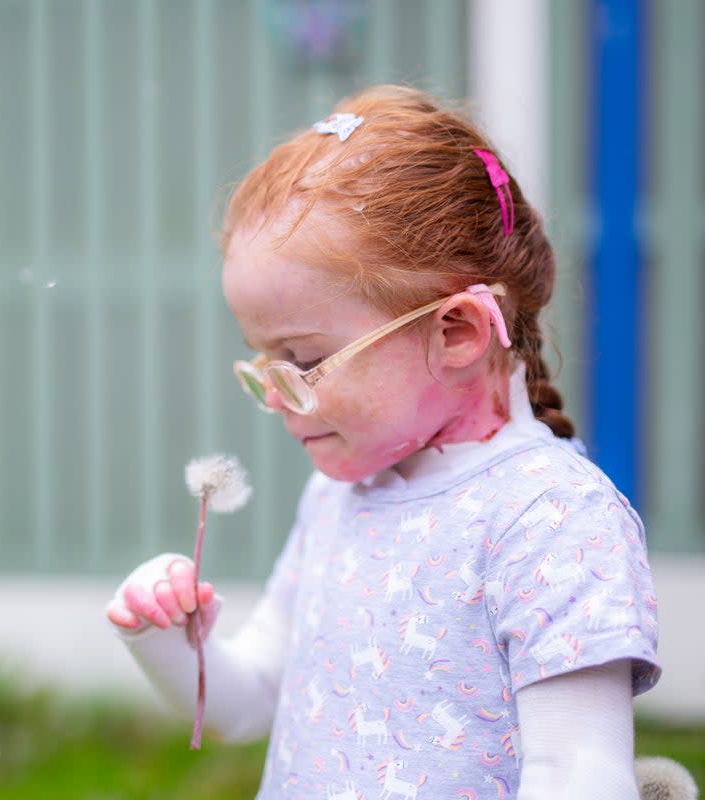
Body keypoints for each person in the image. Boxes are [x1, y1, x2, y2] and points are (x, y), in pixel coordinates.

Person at [105, 85, 659, 800]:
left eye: (303, 362)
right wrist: (164, 640)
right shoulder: (337, 494)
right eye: (262, 363)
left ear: (455, 330)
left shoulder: (551, 518)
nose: (276, 396)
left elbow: (580, 771)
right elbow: (247, 704)